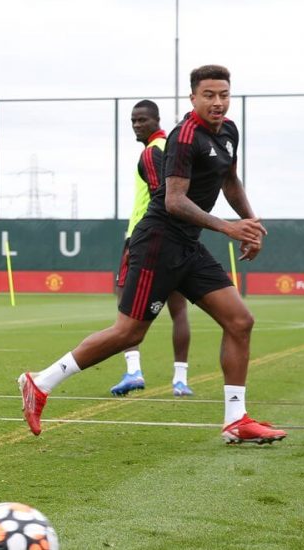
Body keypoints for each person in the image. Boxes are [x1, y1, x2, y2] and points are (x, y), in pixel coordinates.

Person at [18, 65, 287, 445]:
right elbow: (174, 201)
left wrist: (251, 223)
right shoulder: (184, 136)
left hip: (188, 245)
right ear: (193, 98)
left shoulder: (228, 131)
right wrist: (229, 228)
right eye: (209, 95)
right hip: (158, 243)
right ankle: (40, 382)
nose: (218, 102)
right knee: (128, 332)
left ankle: (236, 420)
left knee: (240, 321)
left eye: (224, 95)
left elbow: (229, 180)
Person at [110, 100, 193, 397]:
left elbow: (162, 197)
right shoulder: (169, 149)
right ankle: (180, 379)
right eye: (133, 120)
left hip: (144, 239)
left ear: (156, 120)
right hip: (174, 240)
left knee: (126, 306)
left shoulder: (152, 151)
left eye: (142, 120)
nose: (136, 125)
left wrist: (143, 238)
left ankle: (134, 371)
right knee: (178, 310)